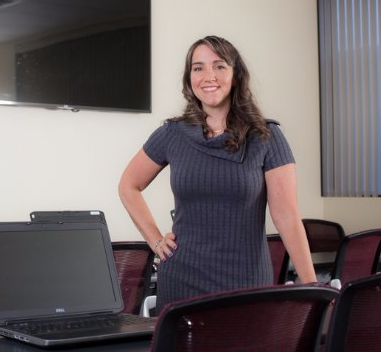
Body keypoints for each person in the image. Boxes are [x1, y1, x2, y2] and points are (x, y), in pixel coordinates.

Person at [118, 35, 317, 311]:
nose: (208, 75)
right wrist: (154, 239)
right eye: (198, 68)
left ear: (235, 76)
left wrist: (311, 287)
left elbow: (287, 216)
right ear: (189, 79)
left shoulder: (266, 136)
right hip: (181, 281)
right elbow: (128, 185)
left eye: (219, 66)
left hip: (245, 284)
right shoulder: (171, 134)